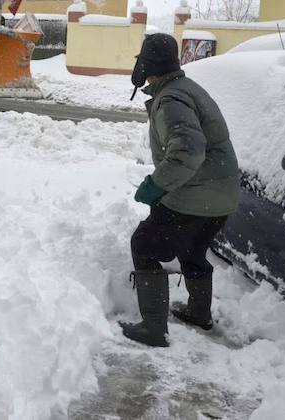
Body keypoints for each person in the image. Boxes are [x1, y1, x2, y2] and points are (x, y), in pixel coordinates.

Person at [120, 33, 240, 348]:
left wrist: (156, 185)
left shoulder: (171, 99)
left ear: (146, 65)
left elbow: (188, 151)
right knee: (192, 251)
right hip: (222, 196)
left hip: (196, 194)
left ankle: (153, 329)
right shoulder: (186, 88)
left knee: (144, 245)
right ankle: (199, 314)